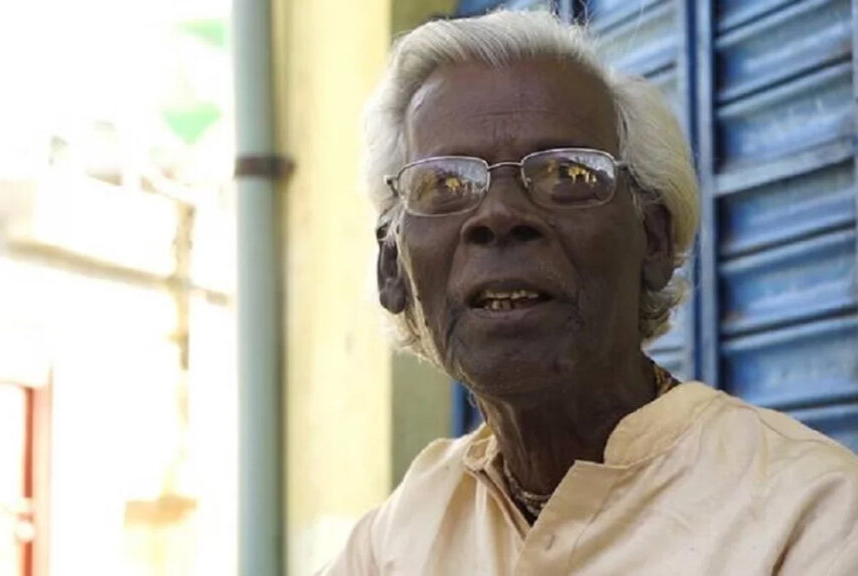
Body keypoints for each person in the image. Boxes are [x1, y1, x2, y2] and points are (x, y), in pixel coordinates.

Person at [321, 9, 858, 575]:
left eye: (567, 175)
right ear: (393, 269)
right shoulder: (395, 541)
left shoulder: (811, 518)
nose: (499, 214)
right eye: (445, 183)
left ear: (654, 238)